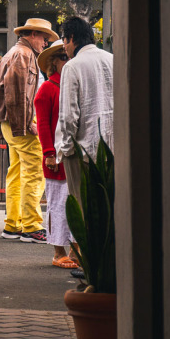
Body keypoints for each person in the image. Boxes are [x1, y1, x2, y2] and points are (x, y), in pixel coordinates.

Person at [0, 17, 57, 243]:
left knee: (17, 172)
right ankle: (31, 226)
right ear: (32, 34)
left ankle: (13, 224)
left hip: (13, 122)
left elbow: (13, 93)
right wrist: (28, 123)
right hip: (22, 122)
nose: (46, 43)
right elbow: (17, 93)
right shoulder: (24, 55)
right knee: (33, 173)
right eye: (44, 38)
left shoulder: (14, 53)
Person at [54, 16, 114, 207]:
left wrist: (65, 149)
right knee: (108, 209)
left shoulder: (72, 66)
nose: (64, 46)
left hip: (81, 152)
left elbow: (68, 116)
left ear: (71, 37)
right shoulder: (112, 60)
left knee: (83, 209)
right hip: (112, 150)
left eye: (64, 40)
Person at [34, 39, 79, 268]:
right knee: (57, 205)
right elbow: (42, 125)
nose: (67, 60)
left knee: (76, 203)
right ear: (53, 63)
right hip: (55, 159)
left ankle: (75, 251)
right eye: (63, 57)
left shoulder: (73, 85)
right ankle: (58, 252)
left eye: (68, 56)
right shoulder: (47, 89)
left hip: (73, 155)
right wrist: (49, 153)